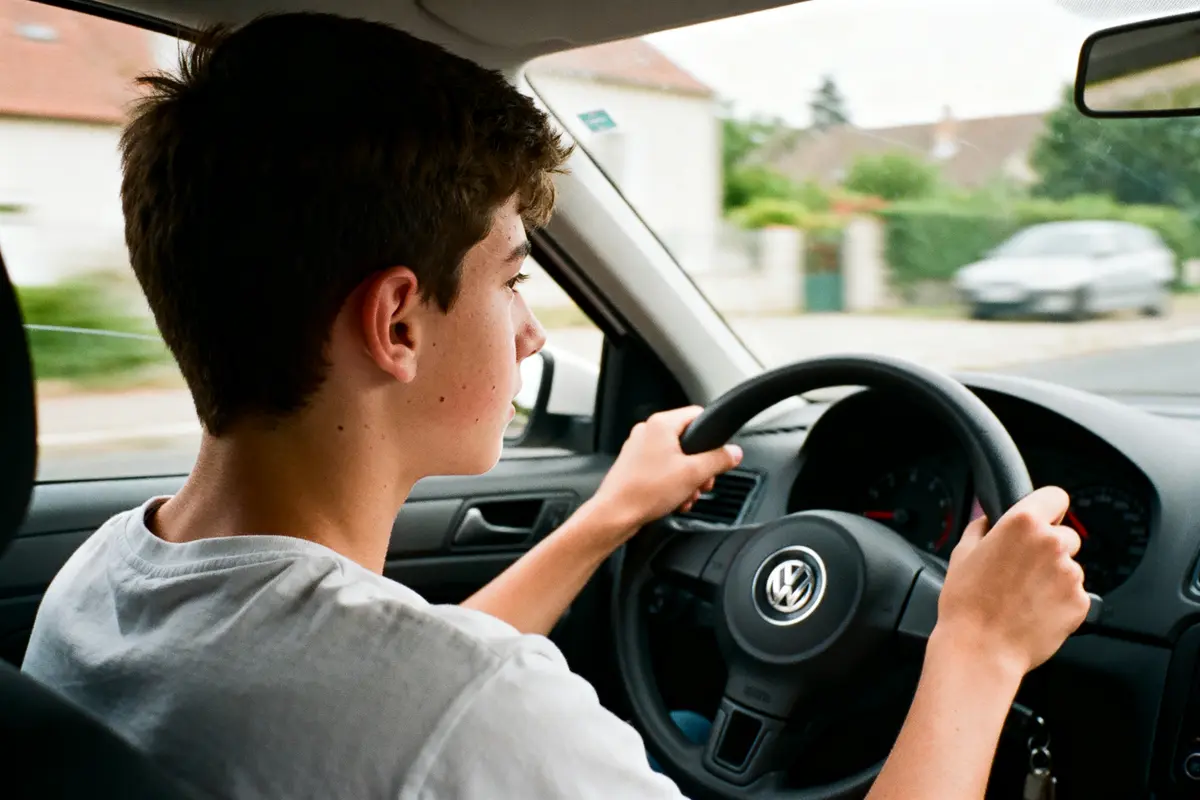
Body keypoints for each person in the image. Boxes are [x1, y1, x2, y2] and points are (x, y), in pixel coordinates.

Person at [21, 12, 1090, 799]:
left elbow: (396, 686)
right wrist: (979, 648)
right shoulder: (474, 710)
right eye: (516, 279)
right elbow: (431, 697)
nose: (533, 332)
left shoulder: (102, 583)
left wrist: (604, 519)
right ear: (397, 323)